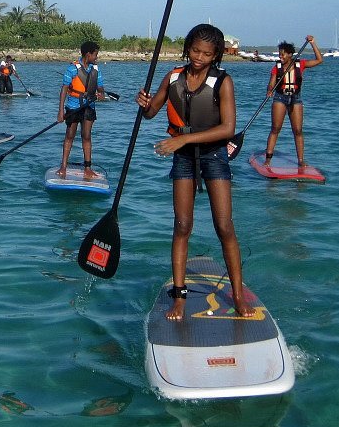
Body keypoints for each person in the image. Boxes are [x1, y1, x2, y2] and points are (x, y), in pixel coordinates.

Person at [135, 23, 254, 322]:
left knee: (224, 226)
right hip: (184, 159)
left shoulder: (223, 82)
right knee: (182, 225)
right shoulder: (173, 76)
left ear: (216, 56)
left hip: (214, 155)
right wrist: (145, 105)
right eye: (195, 50)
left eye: (207, 53)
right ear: (187, 48)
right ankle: (180, 296)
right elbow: (151, 114)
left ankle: (238, 295)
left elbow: (228, 128)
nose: (199, 57)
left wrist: (183, 139)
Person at [264, 35, 323, 167]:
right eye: (280, 54)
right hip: (280, 98)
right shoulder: (277, 67)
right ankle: (268, 159)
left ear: (290, 54)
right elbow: (271, 83)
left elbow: (319, 60)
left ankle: (301, 161)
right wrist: (269, 90)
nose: (281, 56)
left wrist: (313, 43)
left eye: (283, 54)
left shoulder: (300, 64)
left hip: (296, 99)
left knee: (297, 130)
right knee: (275, 128)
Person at [58, 40, 105, 180]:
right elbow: (64, 89)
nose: (96, 58)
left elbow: (100, 87)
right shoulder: (72, 69)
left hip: (89, 106)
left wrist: (101, 94)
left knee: (86, 136)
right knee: (70, 135)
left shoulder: (96, 70)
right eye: (95, 55)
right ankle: (63, 166)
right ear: (88, 54)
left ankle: (88, 168)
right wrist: (61, 111)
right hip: (73, 107)